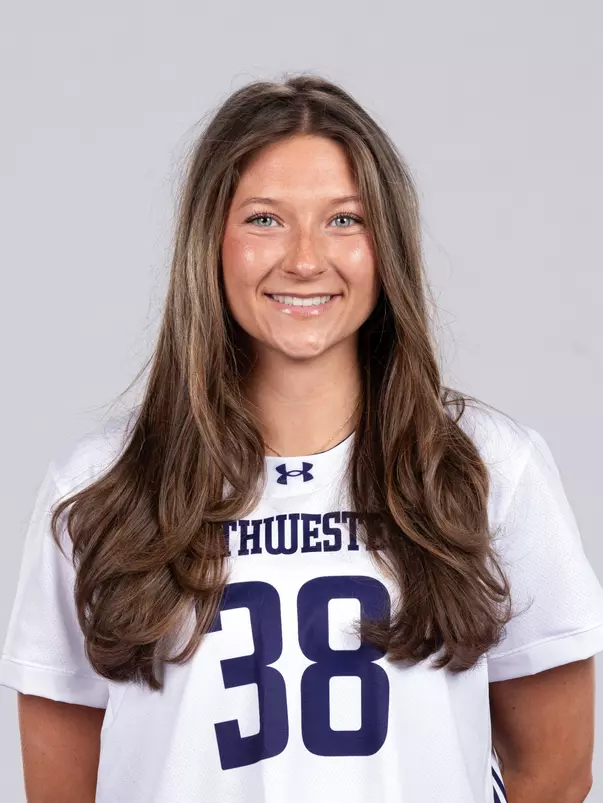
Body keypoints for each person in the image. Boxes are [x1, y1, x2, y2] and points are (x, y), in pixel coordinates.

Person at [2, 74, 603, 803]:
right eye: (265, 220)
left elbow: (554, 774)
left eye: (344, 220)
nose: (305, 259)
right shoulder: (102, 486)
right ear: (210, 241)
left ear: (387, 244)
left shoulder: (487, 469)